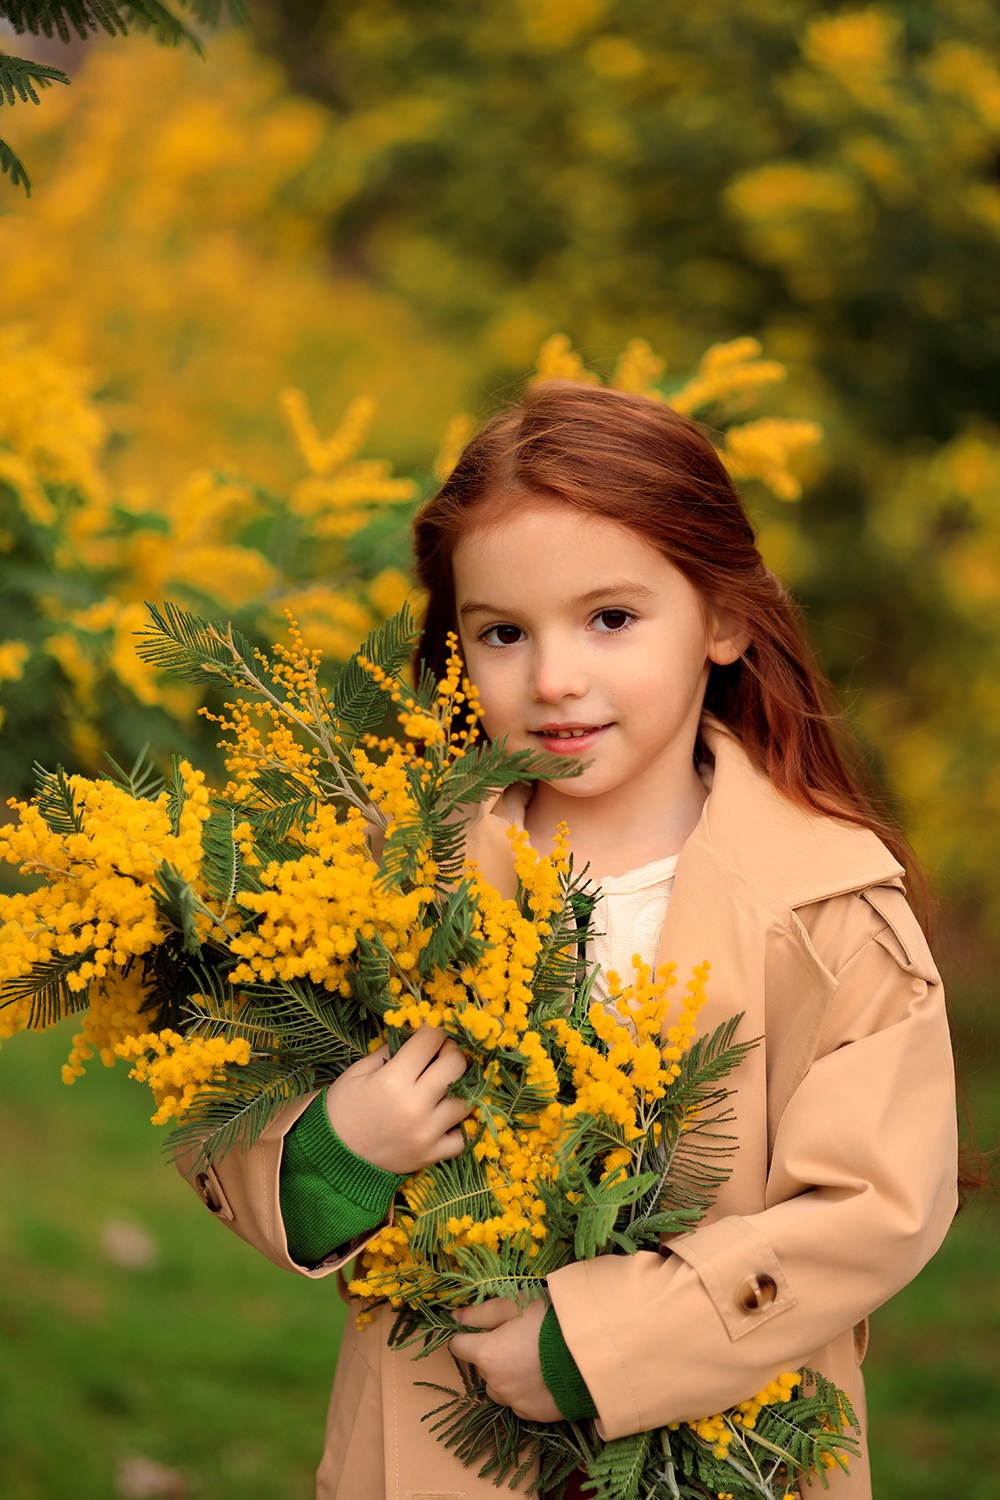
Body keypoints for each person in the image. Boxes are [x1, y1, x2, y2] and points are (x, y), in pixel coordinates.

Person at [183, 381, 958, 1499]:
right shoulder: (390, 870)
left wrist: (599, 1344)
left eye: (610, 619)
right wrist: (332, 1149)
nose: (553, 679)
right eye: (502, 632)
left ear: (725, 620)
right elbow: (223, 1091)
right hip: (432, 1452)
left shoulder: (827, 907)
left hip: (735, 1450)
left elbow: (875, 1206)